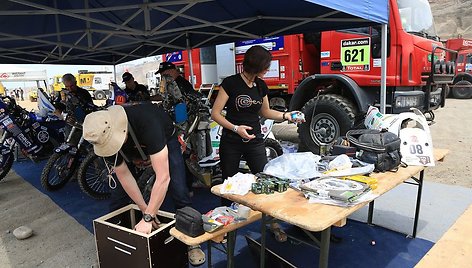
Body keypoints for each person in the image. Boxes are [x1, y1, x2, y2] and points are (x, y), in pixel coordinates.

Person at [82, 103, 206, 266]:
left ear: (120, 129)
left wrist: (148, 218)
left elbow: (163, 177)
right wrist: (144, 208)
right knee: (118, 197)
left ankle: (192, 241)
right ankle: (115, 248)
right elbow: (124, 175)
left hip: (166, 139)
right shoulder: (100, 134)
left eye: (113, 142)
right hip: (134, 145)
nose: (112, 146)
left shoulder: (148, 122)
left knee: (179, 188)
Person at [211, 45, 305, 243]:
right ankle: (226, 226)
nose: (267, 69)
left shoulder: (261, 85)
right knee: (228, 183)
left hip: (254, 139)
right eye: (266, 65)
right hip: (232, 140)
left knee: (265, 179)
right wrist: (236, 128)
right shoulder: (231, 83)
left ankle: (271, 222)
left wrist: (287, 115)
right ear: (256, 65)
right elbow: (216, 113)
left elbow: (266, 112)